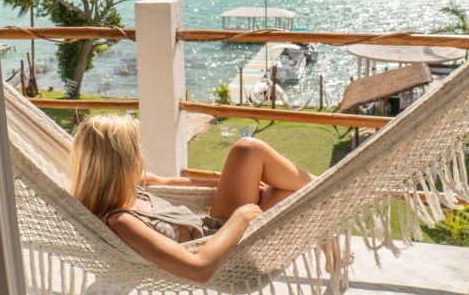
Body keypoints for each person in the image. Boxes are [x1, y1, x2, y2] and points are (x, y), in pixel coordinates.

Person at [70, 114, 315, 283]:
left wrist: (227, 182)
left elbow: (167, 183)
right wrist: (242, 216)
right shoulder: (123, 222)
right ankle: (332, 187)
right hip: (228, 252)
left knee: (248, 150)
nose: (141, 156)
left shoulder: (130, 186)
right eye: (136, 150)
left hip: (214, 227)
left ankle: (325, 189)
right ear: (121, 163)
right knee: (295, 193)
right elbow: (199, 270)